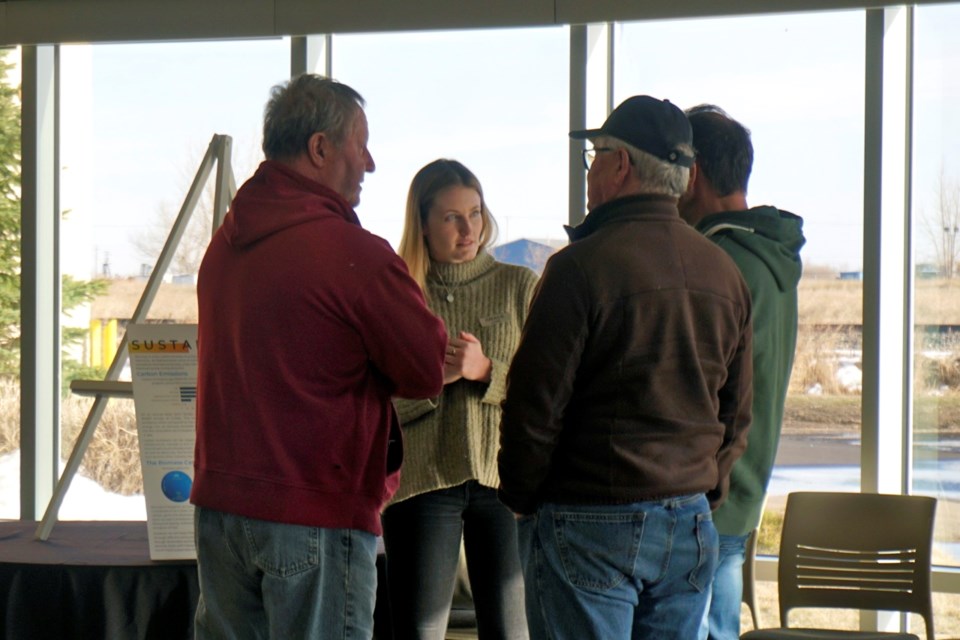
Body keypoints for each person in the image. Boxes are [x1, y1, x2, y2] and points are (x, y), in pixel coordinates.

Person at [190, 74, 447, 640]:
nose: (371, 163)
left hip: (220, 510)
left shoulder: (224, 246)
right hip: (313, 513)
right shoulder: (352, 256)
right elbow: (425, 367)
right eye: (362, 144)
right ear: (320, 148)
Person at [497, 95, 754, 640]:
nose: (590, 173)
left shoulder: (580, 268)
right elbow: (736, 412)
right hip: (689, 522)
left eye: (594, 157)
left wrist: (522, 499)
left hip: (590, 520)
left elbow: (534, 406)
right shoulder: (724, 272)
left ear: (620, 165)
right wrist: (703, 492)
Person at [382, 159, 539, 640]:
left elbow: (544, 393)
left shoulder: (519, 287)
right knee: (419, 631)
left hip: (503, 481)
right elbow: (375, 404)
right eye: (451, 217)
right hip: (422, 482)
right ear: (423, 224)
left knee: (512, 632)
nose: (468, 228)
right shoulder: (400, 295)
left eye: (474, 212)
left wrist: (486, 372)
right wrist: (436, 380)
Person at [678, 104, 805, 640]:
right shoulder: (769, 254)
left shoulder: (717, 260)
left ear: (693, 173)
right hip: (742, 488)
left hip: (704, 492)